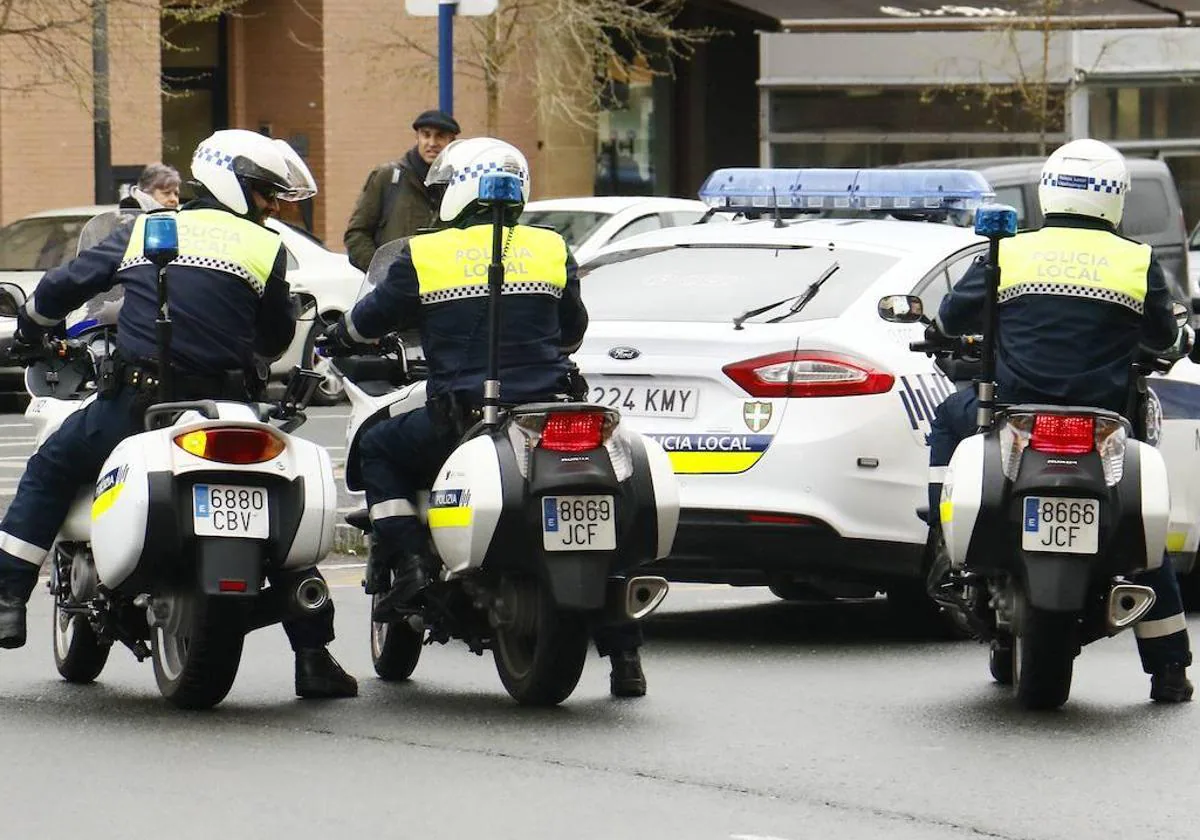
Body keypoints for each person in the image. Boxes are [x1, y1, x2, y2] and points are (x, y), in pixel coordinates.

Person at [0, 129, 357, 700]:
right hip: (228, 405)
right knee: (270, 496)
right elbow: (273, 337)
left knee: (51, 466)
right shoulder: (265, 248)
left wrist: (32, 329)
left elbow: (63, 287)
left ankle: (7, 597)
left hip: (140, 407)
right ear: (230, 182)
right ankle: (313, 653)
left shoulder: (140, 231)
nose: (271, 206)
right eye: (264, 193)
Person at [322, 137, 650, 698]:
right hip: (547, 414)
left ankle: (408, 566)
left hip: (463, 419)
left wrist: (338, 336)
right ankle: (624, 657)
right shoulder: (550, 248)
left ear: (460, 192)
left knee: (380, 448)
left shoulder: (425, 255)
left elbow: (367, 321)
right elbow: (572, 328)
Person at [927, 138, 1193, 703]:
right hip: (1104, 421)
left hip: (1015, 412)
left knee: (950, 421)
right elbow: (1165, 337)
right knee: (1141, 529)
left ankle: (940, 537)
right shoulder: (1135, 259)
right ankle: (1169, 668)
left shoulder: (1012, 250)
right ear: (1115, 199)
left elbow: (952, 317)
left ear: (1049, 191)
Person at [343, 109, 461, 271]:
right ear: (417, 137)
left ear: (451, 140)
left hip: (442, 288)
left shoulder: (459, 184)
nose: (432, 143)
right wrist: (383, 272)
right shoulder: (388, 178)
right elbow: (356, 234)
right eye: (426, 135)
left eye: (440, 136)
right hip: (394, 290)